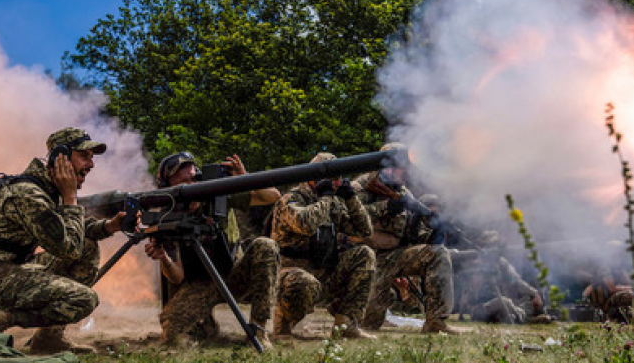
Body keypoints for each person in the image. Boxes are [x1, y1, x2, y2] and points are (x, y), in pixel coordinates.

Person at [0, 127, 126, 354]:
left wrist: (110, 226)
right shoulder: (28, 194)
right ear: (61, 158)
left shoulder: (47, 189)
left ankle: (49, 339)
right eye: (84, 156)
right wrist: (70, 198)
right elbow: (69, 248)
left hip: (11, 268)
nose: (91, 164)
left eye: (92, 158)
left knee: (87, 245)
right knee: (83, 299)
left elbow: (76, 231)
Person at [144, 152, 281, 347]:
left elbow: (272, 197)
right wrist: (164, 258)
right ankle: (204, 326)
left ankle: (258, 331)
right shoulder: (165, 217)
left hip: (235, 274)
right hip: (201, 284)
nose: (192, 186)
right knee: (173, 335)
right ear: (167, 188)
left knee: (265, 246)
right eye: (182, 183)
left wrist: (244, 177)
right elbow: (177, 277)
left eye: (194, 179)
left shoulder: (219, 196)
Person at [353, 143, 458, 334]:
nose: (407, 174)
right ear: (388, 167)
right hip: (362, 258)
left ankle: (436, 322)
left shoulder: (403, 193)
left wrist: (433, 231)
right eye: (403, 169)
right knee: (367, 324)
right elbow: (347, 217)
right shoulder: (362, 186)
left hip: (393, 256)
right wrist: (386, 208)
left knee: (437, 254)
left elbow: (411, 235)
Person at [271, 152, 377, 339]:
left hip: (323, 269)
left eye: (340, 178)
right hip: (292, 272)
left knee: (364, 254)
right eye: (333, 178)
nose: (337, 182)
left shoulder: (333, 202)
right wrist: (326, 198)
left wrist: (352, 200)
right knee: (303, 282)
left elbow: (364, 231)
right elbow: (305, 224)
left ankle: (347, 325)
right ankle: (283, 325)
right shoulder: (291, 199)